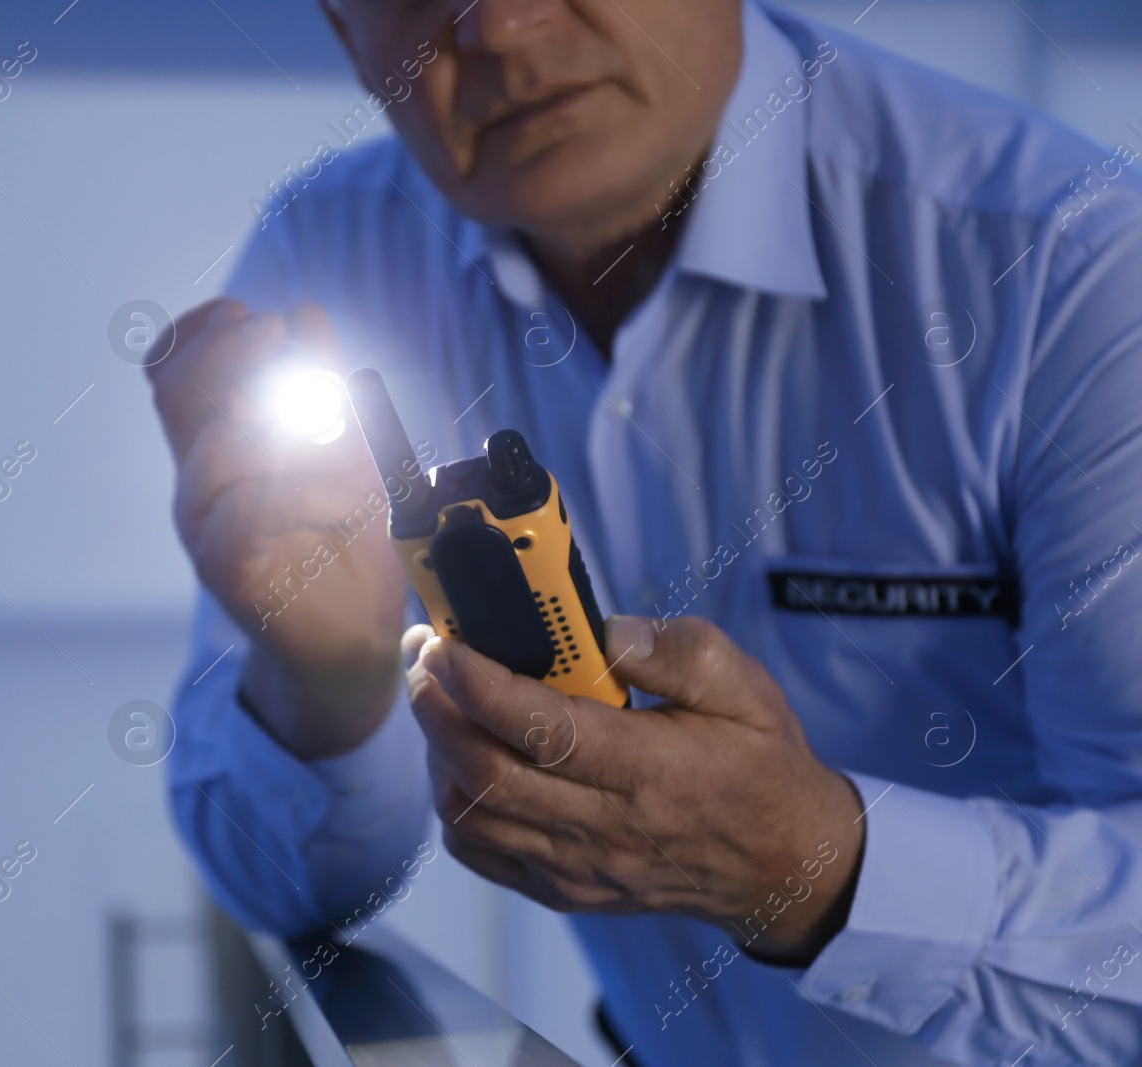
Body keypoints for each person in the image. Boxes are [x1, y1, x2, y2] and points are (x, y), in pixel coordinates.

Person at [144, 0, 1142, 1062]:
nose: (504, 26)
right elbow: (274, 888)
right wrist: (324, 682)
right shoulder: (327, 262)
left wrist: (813, 866)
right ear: (345, 33)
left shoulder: (1068, 271)